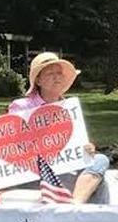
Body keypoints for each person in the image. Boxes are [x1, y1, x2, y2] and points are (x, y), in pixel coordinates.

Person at [7, 52, 110, 203]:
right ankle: (79, 210)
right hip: (38, 168)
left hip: (66, 165)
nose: (57, 77)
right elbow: (11, 144)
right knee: (99, 182)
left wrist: (88, 148)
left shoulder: (69, 108)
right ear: (38, 80)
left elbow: (77, 144)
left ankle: (76, 204)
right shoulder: (21, 107)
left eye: (59, 73)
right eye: (50, 73)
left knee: (101, 159)